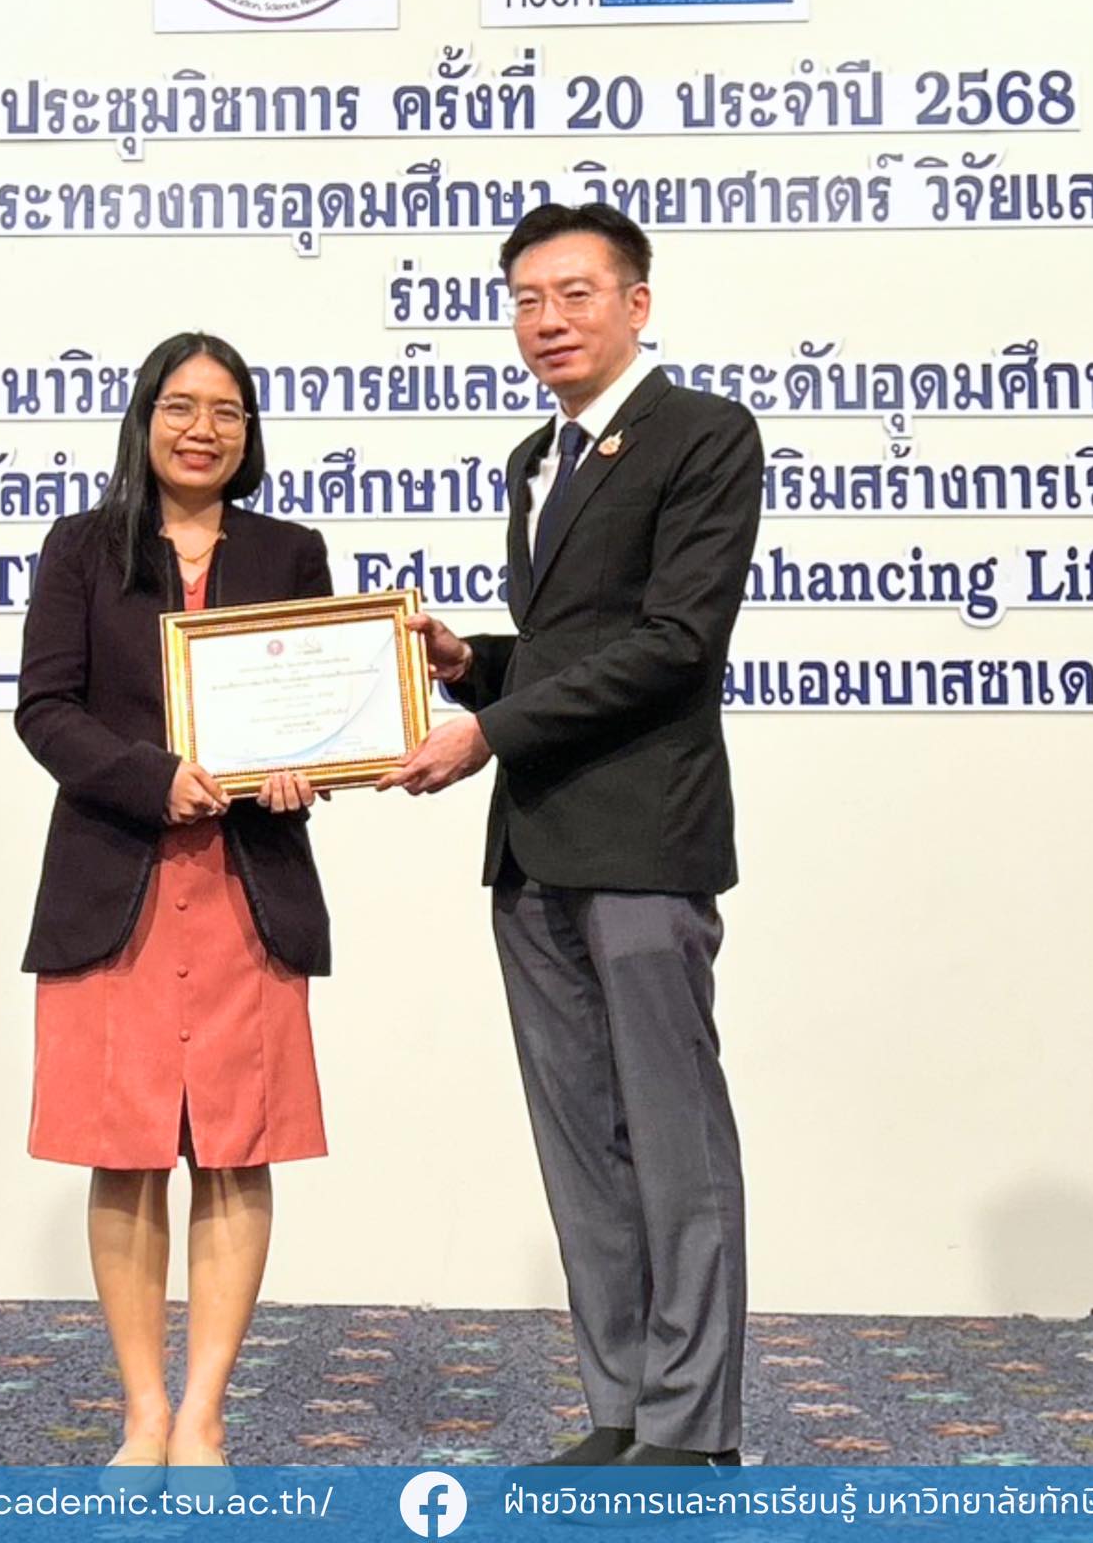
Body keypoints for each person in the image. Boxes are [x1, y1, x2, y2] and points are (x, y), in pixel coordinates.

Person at [381, 204, 764, 1467]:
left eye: (574, 293)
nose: (546, 320)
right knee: (580, 1141)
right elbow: (572, 643)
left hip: (642, 838)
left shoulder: (702, 432)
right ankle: (621, 1401)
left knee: (671, 1133)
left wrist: (488, 730)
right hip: (534, 843)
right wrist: (471, 663)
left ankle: (691, 1421)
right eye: (525, 299)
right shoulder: (532, 457)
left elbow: (673, 643)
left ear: (635, 303)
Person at [13, 331, 333, 1470]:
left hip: (246, 883)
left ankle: (203, 1414)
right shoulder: (81, 546)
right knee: (128, 1149)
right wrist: (154, 779)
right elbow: (45, 709)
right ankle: (144, 1410)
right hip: (120, 879)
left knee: (236, 1151)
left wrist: (304, 767)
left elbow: (316, 709)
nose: (203, 429)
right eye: (182, 406)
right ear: (145, 417)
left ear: (251, 433)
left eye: (228, 411)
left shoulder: (291, 551)